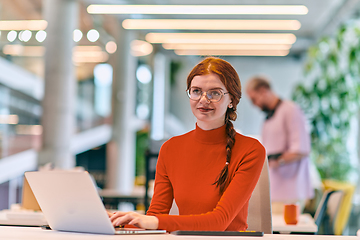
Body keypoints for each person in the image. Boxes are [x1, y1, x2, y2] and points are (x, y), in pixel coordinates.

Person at [109, 57, 265, 232]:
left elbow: (219, 222)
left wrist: (153, 222)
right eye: (196, 91)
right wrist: (117, 220)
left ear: (231, 100)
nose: (204, 100)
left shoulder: (250, 150)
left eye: (215, 93)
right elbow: (156, 215)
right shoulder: (170, 148)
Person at [246, 75, 314, 213]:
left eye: (254, 99)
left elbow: (301, 149)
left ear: (264, 90)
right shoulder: (268, 118)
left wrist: (278, 161)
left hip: (291, 192)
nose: (254, 104)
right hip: (276, 189)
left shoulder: (290, 110)